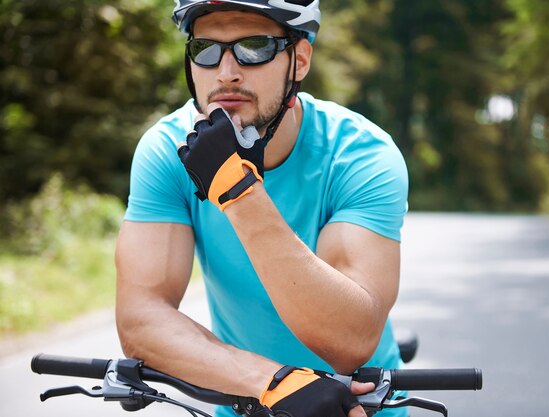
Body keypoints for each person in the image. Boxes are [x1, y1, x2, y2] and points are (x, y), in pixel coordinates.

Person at [115, 1, 408, 416]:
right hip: (247, 398)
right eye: (206, 49)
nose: (226, 72)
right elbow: (141, 318)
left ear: (299, 59)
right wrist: (270, 382)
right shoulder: (167, 151)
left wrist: (238, 190)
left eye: (254, 47)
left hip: (360, 405)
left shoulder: (360, 154)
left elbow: (350, 339)